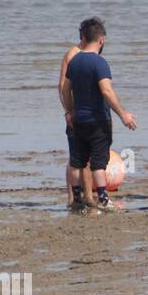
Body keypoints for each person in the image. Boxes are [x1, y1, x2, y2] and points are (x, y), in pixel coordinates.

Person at [59, 18, 137, 212]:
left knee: (77, 161)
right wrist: (123, 114)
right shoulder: (99, 62)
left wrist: (69, 112)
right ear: (101, 40)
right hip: (97, 120)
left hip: (78, 119)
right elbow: (107, 91)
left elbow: (65, 89)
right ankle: (103, 198)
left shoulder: (74, 60)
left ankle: (76, 200)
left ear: (83, 37)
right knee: (98, 163)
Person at [58, 26, 96, 206]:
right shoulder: (73, 54)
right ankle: (78, 197)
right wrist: (68, 111)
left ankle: (78, 197)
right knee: (79, 159)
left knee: (79, 157)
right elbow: (62, 86)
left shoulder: (86, 54)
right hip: (77, 113)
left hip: (84, 112)